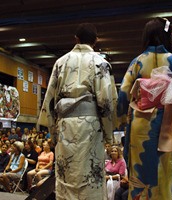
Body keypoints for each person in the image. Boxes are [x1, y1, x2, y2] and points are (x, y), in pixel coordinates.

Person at [117, 17, 172, 200]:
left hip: (139, 125)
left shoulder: (137, 62)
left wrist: (119, 119)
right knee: (163, 174)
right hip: (166, 123)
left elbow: (123, 93)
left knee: (139, 174)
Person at [37, 23, 117, 199]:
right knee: (90, 174)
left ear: (76, 39)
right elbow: (106, 102)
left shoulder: (61, 62)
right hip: (91, 125)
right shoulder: (100, 63)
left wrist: (52, 130)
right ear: (96, 41)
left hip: (65, 125)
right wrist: (109, 134)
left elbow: (50, 98)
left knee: (67, 174)